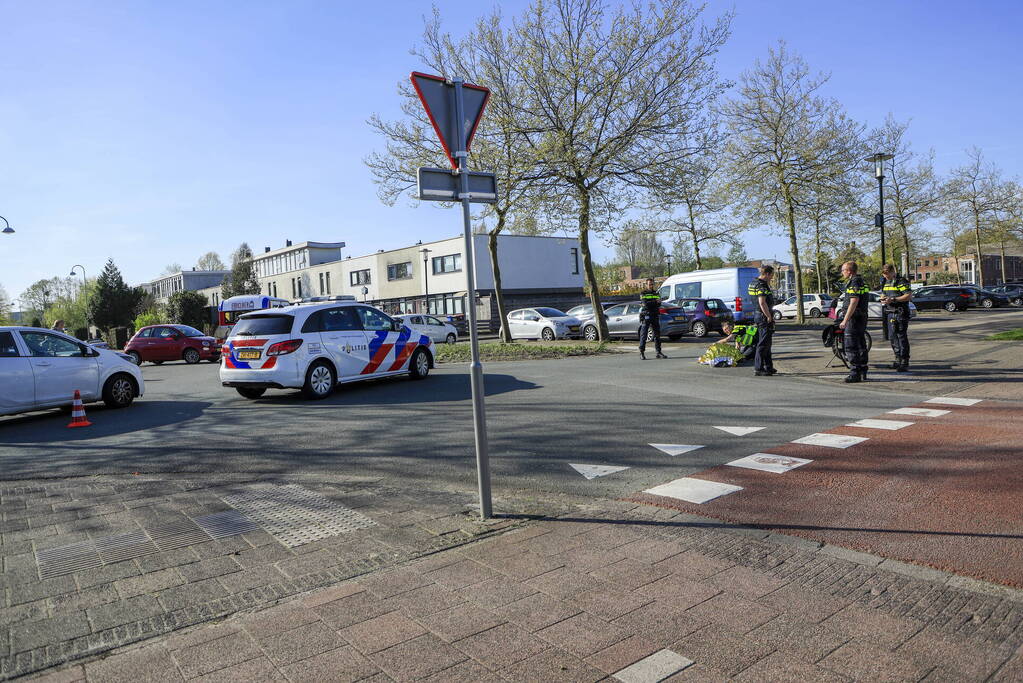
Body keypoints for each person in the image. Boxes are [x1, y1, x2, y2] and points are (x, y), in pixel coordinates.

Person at [838, 261, 870, 382]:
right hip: (862, 317)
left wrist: (845, 320)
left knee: (851, 346)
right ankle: (863, 370)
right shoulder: (861, 281)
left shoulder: (854, 282)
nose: (842, 272)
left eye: (843, 270)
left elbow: (854, 301)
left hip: (854, 318)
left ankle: (855, 373)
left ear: (849, 271)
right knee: (861, 344)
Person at [879, 263, 912, 372]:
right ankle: (897, 360)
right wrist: (883, 298)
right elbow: (884, 293)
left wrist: (893, 299)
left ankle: (904, 361)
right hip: (889, 312)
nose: (886, 277)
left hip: (900, 313)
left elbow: (908, 296)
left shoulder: (900, 281)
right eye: (884, 275)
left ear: (893, 271)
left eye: (888, 275)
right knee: (893, 337)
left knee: (901, 337)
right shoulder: (884, 281)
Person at [747, 265, 776, 376]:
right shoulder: (761, 285)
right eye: (772, 275)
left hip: (758, 315)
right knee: (763, 343)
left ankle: (769, 367)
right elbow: (762, 302)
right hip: (763, 316)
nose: (772, 277)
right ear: (767, 274)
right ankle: (758, 368)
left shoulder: (753, 283)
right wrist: (769, 316)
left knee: (767, 342)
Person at [638, 278, 667, 360]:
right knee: (644, 335)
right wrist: (655, 302)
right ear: (646, 284)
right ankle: (642, 352)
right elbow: (645, 304)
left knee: (657, 335)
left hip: (655, 315)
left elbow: (659, 303)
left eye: (652, 284)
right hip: (646, 315)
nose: (651, 285)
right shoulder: (643, 293)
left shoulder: (656, 293)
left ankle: (658, 352)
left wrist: (653, 303)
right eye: (649, 284)